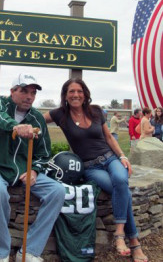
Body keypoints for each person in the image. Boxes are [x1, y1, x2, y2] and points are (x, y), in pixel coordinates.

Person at [44, 78, 148, 262]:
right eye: (71, 91)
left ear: (85, 94)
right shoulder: (60, 114)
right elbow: (35, 120)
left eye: (79, 91)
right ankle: (134, 241)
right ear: (65, 95)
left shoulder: (96, 111)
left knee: (121, 181)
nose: (76, 95)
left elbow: (108, 137)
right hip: (90, 167)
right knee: (122, 190)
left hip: (110, 159)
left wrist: (122, 156)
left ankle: (119, 233)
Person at [0, 73, 65, 262]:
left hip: (23, 170)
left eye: (33, 93)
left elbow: (43, 154)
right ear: (12, 91)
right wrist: (15, 127)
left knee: (57, 191)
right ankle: (1, 254)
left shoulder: (37, 118)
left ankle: (30, 251)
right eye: (24, 91)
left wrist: (34, 170)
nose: (29, 96)